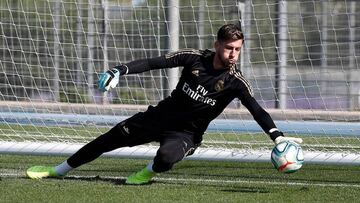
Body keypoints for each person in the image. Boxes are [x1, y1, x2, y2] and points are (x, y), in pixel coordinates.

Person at [26, 23, 302, 185]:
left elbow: (257, 109)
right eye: (229, 48)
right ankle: (58, 170)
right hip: (158, 117)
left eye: (238, 49)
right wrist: (120, 70)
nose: (233, 54)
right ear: (217, 45)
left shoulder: (235, 82)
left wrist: (276, 136)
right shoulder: (194, 58)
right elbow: (153, 62)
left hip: (186, 134)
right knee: (107, 140)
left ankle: (147, 173)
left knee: (167, 157)